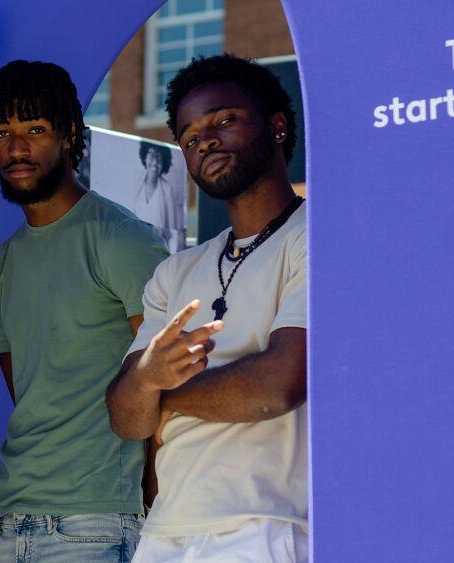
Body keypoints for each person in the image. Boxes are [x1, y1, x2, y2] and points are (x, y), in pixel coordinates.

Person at [106, 54, 308, 561]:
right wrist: (145, 386)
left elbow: (277, 385)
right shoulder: (174, 271)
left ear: (277, 125)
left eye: (224, 120)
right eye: (191, 138)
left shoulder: (316, 236)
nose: (206, 142)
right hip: (164, 535)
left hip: (267, 526)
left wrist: (160, 389)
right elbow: (126, 418)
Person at [0, 60, 171, 562]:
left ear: (69, 135)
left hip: (98, 520)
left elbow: (170, 383)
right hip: (10, 519)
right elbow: (31, 397)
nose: (17, 148)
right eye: (2, 132)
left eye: (35, 129)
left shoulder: (121, 239)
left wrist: (158, 507)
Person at [132, 141, 184, 253]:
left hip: (158, 253)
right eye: (151, 154)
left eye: (159, 158)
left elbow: (173, 232)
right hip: (135, 249)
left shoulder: (168, 189)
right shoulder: (135, 184)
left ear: (164, 162)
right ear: (144, 156)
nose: (155, 162)